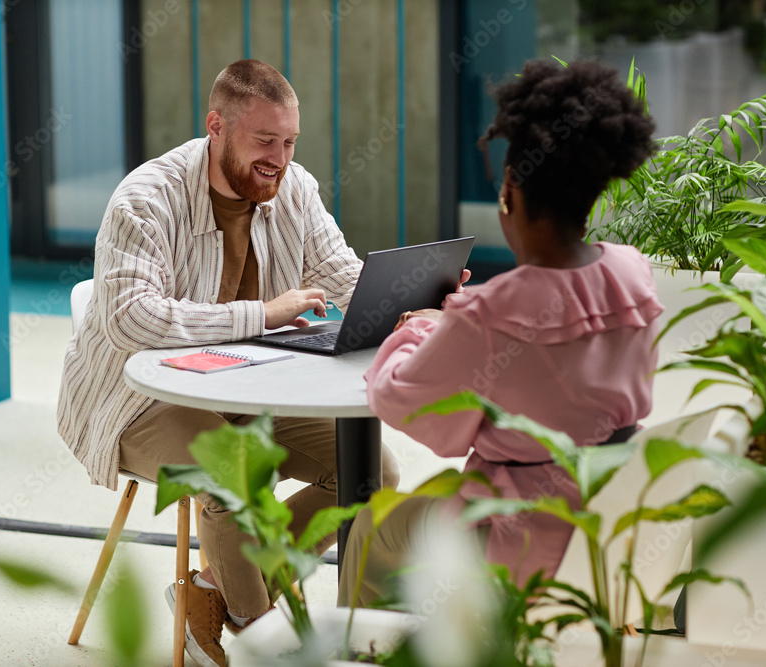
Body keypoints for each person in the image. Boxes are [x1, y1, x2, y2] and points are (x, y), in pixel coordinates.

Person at [57, 59, 399, 667]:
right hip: (138, 401)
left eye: (289, 141)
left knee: (371, 470)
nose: (280, 157)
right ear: (216, 126)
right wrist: (262, 314)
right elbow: (130, 319)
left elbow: (340, 275)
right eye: (264, 141)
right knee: (238, 476)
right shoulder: (145, 198)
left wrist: (416, 298)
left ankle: (214, 590)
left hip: (243, 389)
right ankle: (264, 637)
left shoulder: (294, 189)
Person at [338, 59, 661, 607]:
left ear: (510, 190)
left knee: (372, 530)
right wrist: (460, 324)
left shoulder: (492, 314)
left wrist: (421, 331)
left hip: (517, 536)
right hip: (613, 517)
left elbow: (409, 407)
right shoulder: (631, 271)